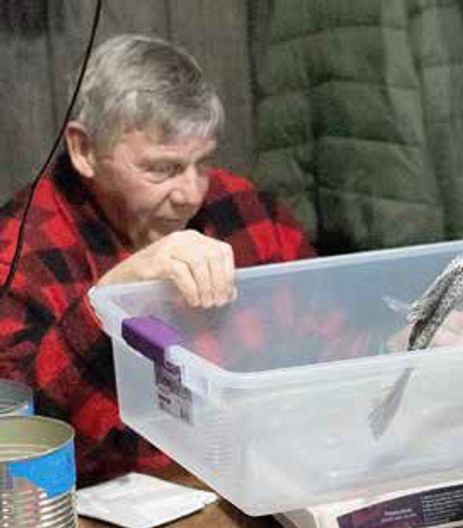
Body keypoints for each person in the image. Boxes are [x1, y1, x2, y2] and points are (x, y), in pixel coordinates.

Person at [0, 35, 315, 485]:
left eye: (202, 163)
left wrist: (399, 346)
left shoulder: (242, 209)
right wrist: (106, 304)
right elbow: (20, 447)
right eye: (161, 169)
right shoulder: (21, 253)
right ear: (84, 150)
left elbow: (332, 340)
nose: (191, 193)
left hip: (263, 485)